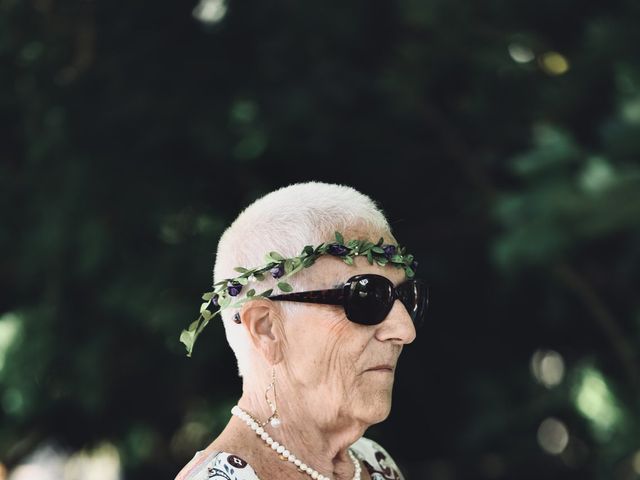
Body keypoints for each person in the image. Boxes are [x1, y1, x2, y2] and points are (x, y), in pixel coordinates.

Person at [175, 181, 428, 480]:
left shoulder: (375, 463)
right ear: (266, 329)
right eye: (365, 296)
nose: (404, 330)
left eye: (406, 297)